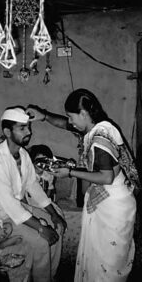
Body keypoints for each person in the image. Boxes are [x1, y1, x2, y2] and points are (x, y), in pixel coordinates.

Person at [27, 88, 139, 282]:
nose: (70, 121)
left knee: (108, 264)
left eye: (72, 117)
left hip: (114, 204)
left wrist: (69, 172)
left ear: (84, 114)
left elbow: (106, 177)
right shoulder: (95, 127)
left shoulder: (99, 139)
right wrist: (43, 116)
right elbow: (63, 124)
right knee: (99, 258)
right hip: (110, 198)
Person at [0, 106, 67, 282]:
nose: (29, 132)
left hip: (18, 209)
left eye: (28, 127)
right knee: (42, 240)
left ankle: (49, 276)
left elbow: (33, 186)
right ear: (7, 131)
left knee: (59, 225)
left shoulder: (23, 154)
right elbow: (9, 204)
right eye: (22, 128)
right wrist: (41, 228)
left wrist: (53, 214)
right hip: (0, 215)